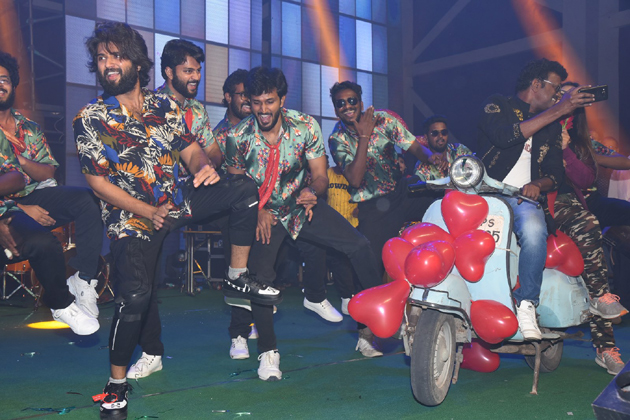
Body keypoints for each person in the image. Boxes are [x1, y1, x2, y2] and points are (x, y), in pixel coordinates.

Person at [73, 22, 275, 420]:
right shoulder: (91, 117)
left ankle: (237, 276)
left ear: (137, 63)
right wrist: (147, 211)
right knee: (137, 295)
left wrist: (203, 168)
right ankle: (116, 385)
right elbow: (97, 183)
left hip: (174, 203)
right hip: (130, 218)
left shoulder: (165, 108)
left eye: (117, 56)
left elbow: (191, 151)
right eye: (101, 57)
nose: (108, 64)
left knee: (243, 188)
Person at [225, 67, 384, 381]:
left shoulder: (305, 126)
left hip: (300, 205)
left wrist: (313, 191)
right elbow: (235, 186)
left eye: (269, 101)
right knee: (261, 279)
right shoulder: (237, 137)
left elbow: (321, 176)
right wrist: (257, 210)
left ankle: (369, 328)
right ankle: (268, 352)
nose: (263, 109)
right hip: (264, 214)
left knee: (359, 246)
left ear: (282, 99)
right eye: (256, 102)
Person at [476, 58, 595, 340]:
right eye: (556, 88)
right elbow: (504, 137)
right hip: (484, 194)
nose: (558, 95)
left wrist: (536, 185)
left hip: (521, 199)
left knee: (533, 229)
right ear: (536, 84)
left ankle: (526, 303)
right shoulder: (497, 105)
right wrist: (559, 110)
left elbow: (555, 175)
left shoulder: (553, 128)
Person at [0, 51, 104, 319]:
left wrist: (19, 159)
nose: (0, 85)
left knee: (88, 199)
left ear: (13, 84)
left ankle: (84, 279)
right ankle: (59, 300)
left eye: (4, 79)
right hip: (6, 207)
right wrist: (23, 209)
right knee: (41, 242)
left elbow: (47, 170)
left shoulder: (29, 128)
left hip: (34, 195)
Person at [328, 81, 444, 279]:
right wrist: (364, 136)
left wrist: (430, 157)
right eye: (341, 103)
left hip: (402, 192)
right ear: (336, 110)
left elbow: (415, 147)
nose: (347, 106)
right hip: (374, 208)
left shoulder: (383, 120)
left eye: (352, 100)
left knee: (443, 200)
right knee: (371, 271)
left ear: (361, 103)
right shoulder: (337, 139)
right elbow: (354, 179)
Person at [213, 68, 251, 173]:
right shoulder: (218, 139)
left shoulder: (261, 127)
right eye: (244, 95)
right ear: (228, 97)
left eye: (251, 95)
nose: (249, 100)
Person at [415, 115, 473, 181]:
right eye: (435, 133)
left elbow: (477, 169)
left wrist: (450, 167)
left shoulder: (460, 150)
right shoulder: (421, 167)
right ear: (426, 137)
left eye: (443, 132)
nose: (440, 136)